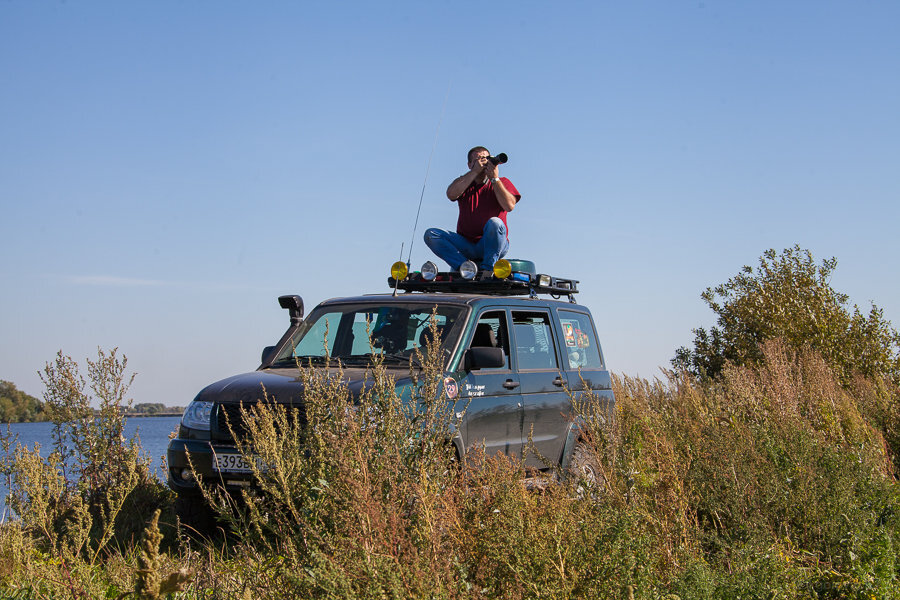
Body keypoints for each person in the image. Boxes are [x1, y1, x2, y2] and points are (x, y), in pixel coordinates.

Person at [424, 146, 521, 272]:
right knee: (431, 234)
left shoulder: (502, 182)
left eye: (486, 159)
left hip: (491, 243)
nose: (484, 162)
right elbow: (451, 194)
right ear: (469, 164)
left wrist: (494, 178)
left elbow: (509, 206)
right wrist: (474, 172)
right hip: (467, 244)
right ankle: (465, 268)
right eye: (478, 159)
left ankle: (488, 268)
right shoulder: (465, 182)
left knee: (495, 223)